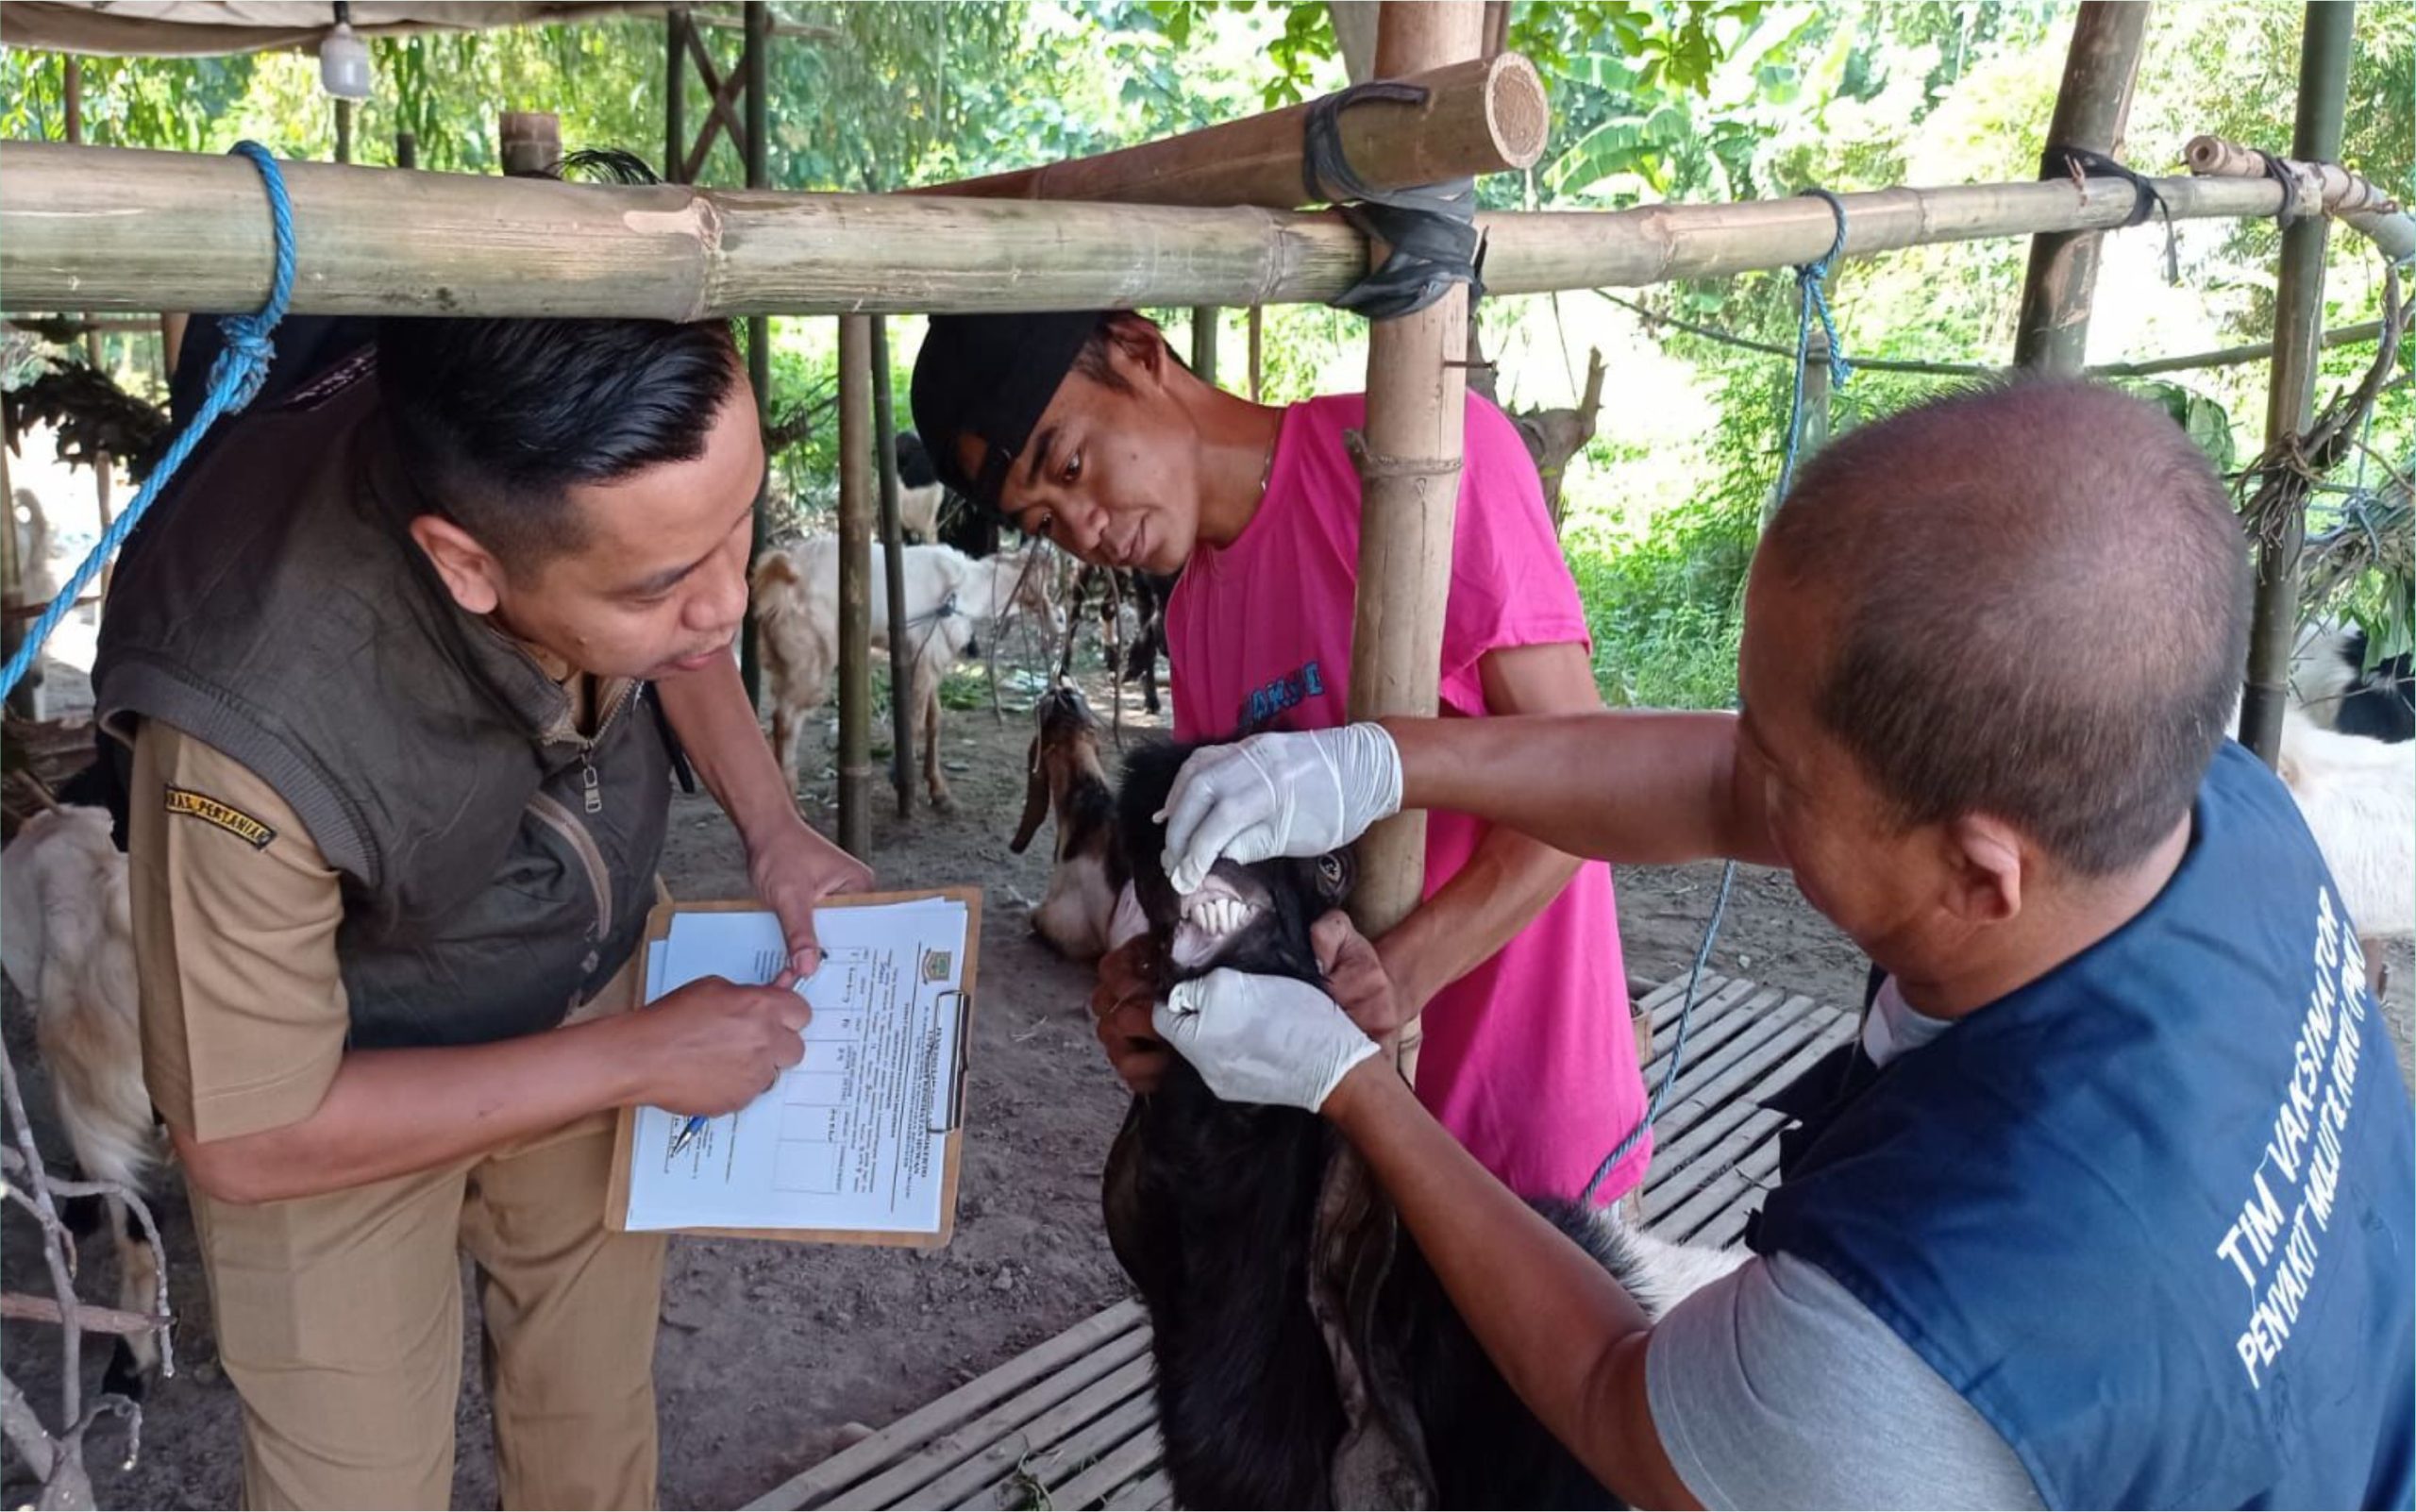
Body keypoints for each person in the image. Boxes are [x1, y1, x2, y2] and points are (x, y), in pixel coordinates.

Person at [1141, 379, 2414, 1509]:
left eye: (1783, 766)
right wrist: (1381, 761)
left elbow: (1614, 1393)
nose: (1739, 769)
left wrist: (1351, 1086)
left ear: (1976, 871)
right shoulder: (2210, 809)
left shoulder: (1918, 1320)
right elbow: (1716, 787)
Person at [91, 312, 871, 1509]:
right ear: (466, 563)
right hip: (340, 1096)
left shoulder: (592, 492)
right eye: (664, 582)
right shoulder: (245, 723)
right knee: (354, 1490)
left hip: (579, 984)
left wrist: (771, 827)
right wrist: (636, 1057)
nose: (724, 608)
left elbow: (685, 592)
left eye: (739, 522)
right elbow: (248, 1141)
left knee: (590, 1434)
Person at [909, 310, 1652, 1208]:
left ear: (1141, 353)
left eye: (1071, 467)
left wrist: (1404, 970)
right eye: (1048, 519)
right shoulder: (1196, 616)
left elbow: (1597, 786)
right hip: (1369, 1171)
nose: (1087, 527)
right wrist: (1158, 989)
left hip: (1528, 1136)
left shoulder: (1419, 466)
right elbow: (1259, 887)